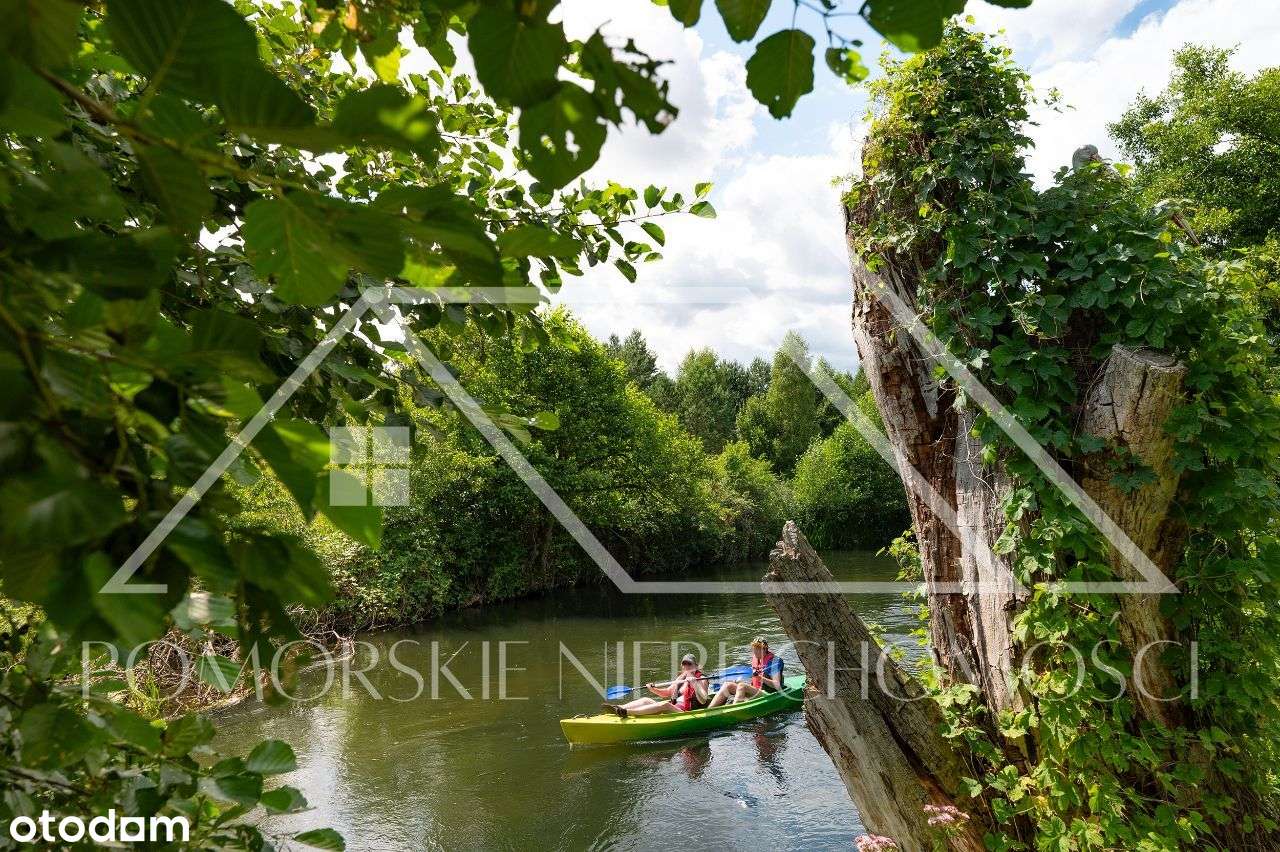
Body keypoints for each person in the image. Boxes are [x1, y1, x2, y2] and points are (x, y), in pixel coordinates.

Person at [602, 654, 708, 718]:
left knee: (665, 704)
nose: (686, 666)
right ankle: (618, 708)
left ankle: (626, 712)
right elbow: (666, 693)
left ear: (696, 665)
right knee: (645, 700)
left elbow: (703, 700)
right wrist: (653, 689)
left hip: (686, 713)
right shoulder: (681, 678)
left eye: (689, 664)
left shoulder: (702, 678)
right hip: (675, 708)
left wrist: (695, 683)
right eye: (684, 664)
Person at [706, 636, 783, 708]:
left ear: (765, 649)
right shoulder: (756, 658)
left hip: (768, 694)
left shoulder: (774, 662)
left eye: (758, 649)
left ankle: (732, 711)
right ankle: (710, 710)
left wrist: (759, 677)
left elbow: (777, 685)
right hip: (755, 689)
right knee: (727, 685)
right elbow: (752, 677)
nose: (755, 652)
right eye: (754, 649)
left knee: (742, 686)